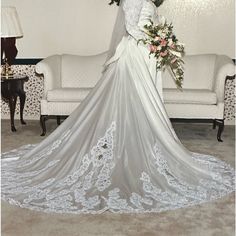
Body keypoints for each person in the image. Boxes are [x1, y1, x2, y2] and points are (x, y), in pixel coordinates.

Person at [1, 0, 234, 214]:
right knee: (137, 99)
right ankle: (129, 146)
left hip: (147, 55)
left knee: (147, 102)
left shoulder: (150, 1)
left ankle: (145, 143)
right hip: (134, 56)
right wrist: (155, 40)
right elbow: (131, 27)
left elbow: (151, 23)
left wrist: (161, 40)